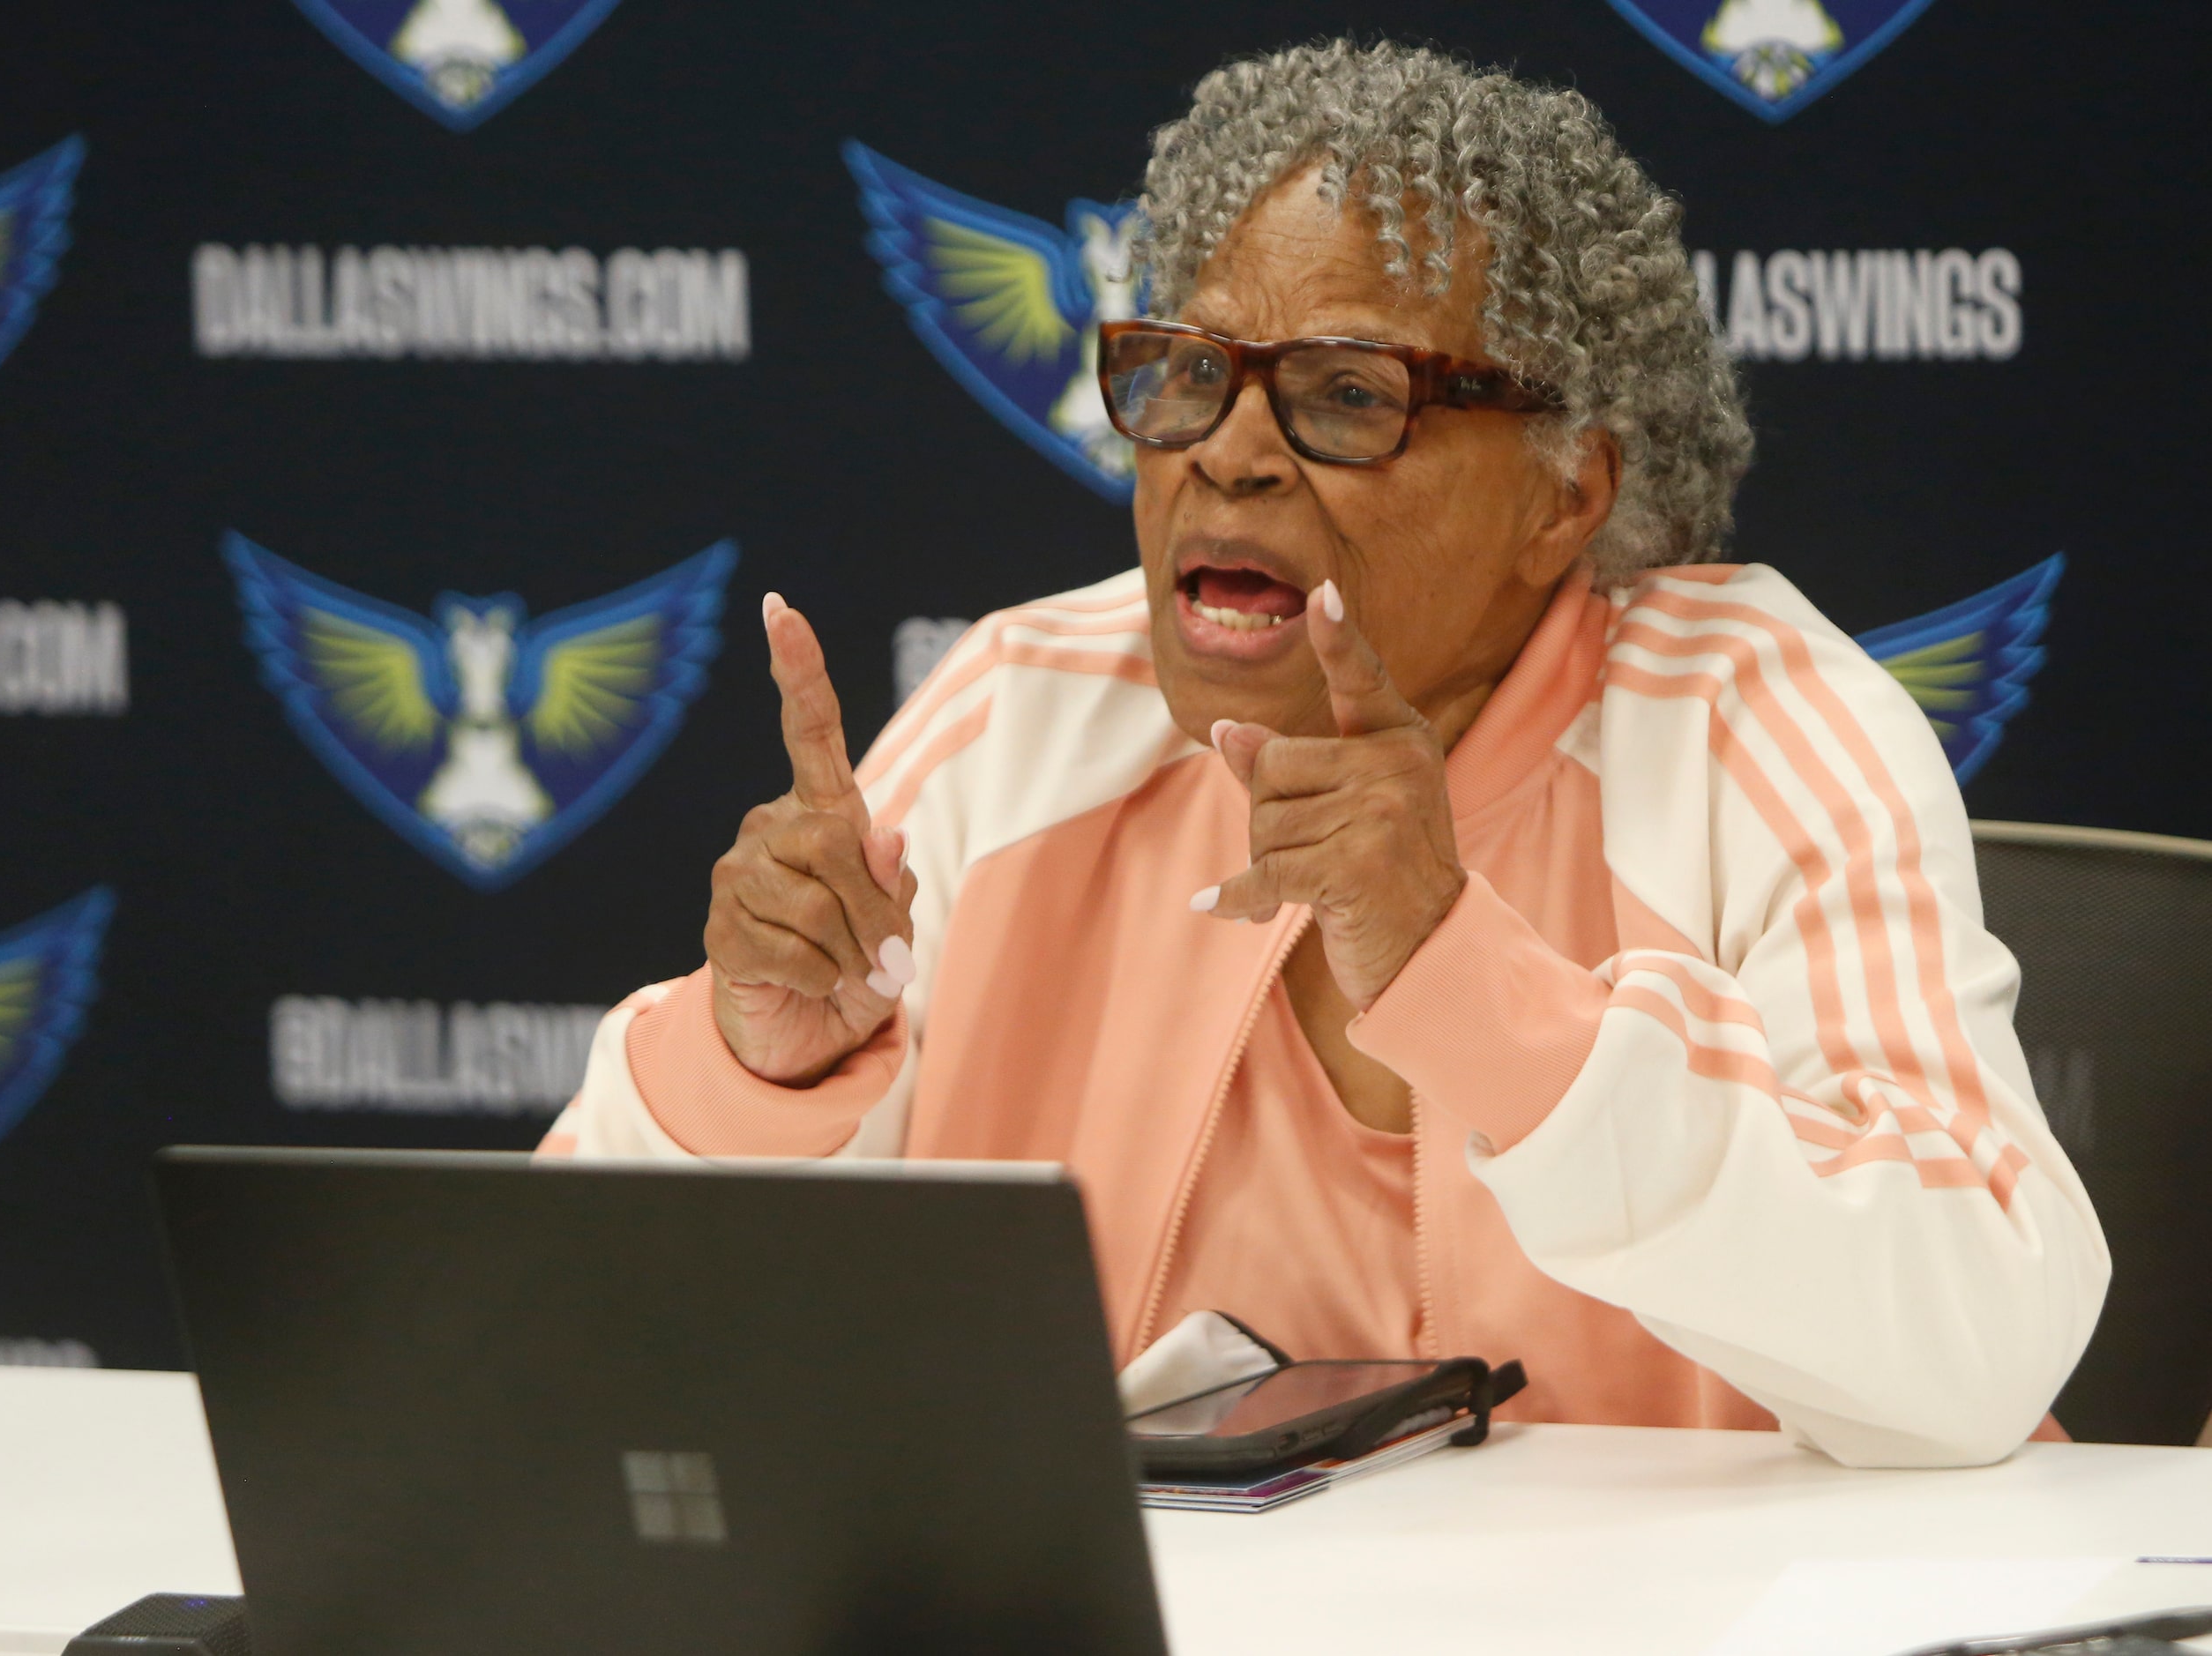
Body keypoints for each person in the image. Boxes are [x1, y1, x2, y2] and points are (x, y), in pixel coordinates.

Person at [542, 39, 2107, 1467]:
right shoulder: (1026, 710)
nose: (1225, 448)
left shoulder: (1749, 725)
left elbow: (1977, 1336)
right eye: (1189, 374)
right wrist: (762, 1066)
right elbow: (548, 1345)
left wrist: (1466, 975)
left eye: (1346, 396)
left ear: (1565, 497)